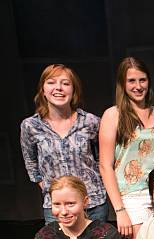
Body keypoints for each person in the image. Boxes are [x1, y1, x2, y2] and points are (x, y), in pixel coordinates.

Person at [99, 57, 154, 239]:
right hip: (132, 197)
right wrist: (119, 210)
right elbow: (105, 166)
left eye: (142, 80)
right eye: (131, 81)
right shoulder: (113, 115)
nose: (138, 86)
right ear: (122, 84)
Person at [21, 64, 107, 224]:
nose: (58, 88)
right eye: (51, 82)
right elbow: (31, 163)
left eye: (65, 83)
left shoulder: (91, 122)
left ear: (74, 90)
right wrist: (50, 188)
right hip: (56, 209)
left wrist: (97, 181)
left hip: (93, 204)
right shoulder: (31, 126)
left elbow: (104, 158)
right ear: (43, 89)